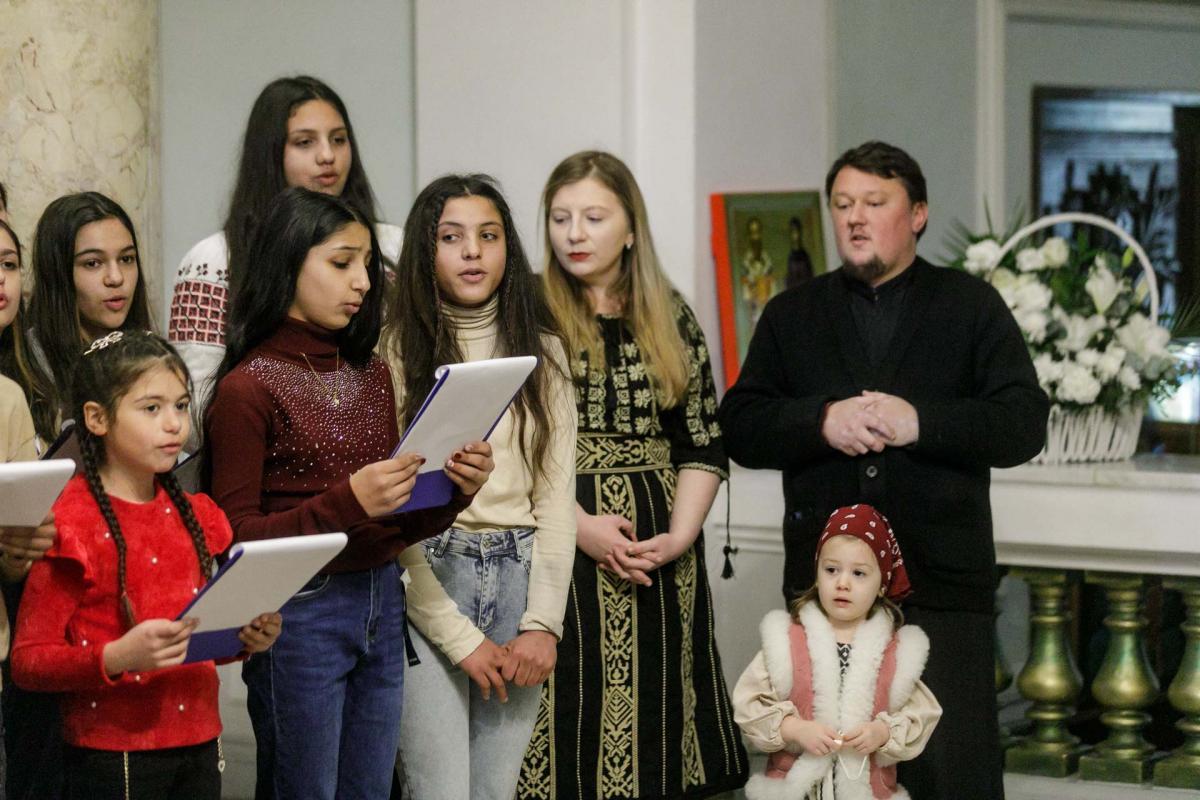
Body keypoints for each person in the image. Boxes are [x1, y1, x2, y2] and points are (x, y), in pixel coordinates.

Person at [718, 140, 1049, 799]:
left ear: (918, 214)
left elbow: (1023, 423)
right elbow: (740, 424)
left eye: (874, 202)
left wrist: (919, 422)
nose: (855, 217)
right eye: (843, 204)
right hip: (826, 596)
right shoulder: (792, 313)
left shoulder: (971, 306)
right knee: (835, 774)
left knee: (949, 775)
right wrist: (821, 421)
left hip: (942, 586)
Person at [205, 186, 493, 800]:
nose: (362, 281)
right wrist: (348, 503)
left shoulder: (371, 372)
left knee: (370, 789)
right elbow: (236, 542)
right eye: (341, 263)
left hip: (382, 599)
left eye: (365, 263)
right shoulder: (246, 389)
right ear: (288, 264)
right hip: (298, 612)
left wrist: (454, 492)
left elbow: (392, 523)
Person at [517, 150, 748, 799]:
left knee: (660, 706)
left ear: (629, 229)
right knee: (567, 709)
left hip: (660, 556)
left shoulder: (669, 312)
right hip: (557, 541)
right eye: (560, 217)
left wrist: (678, 537)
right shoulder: (527, 308)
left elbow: (701, 437)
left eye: (593, 217)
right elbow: (510, 438)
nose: (574, 233)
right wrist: (577, 525)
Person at [10, 330, 282, 800]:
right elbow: (29, 661)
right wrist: (116, 657)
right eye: (152, 408)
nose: (174, 424)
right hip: (110, 755)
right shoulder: (69, 521)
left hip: (200, 740)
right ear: (97, 418)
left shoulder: (195, 514)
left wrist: (244, 637)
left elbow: (191, 642)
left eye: (181, 405)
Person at [385, 175, 576, 800]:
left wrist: (543, 624)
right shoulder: (393, 351)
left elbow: (556, 501)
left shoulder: (544, 352)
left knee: (494, 791)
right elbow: (393, 517)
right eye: (452, 237)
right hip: (429, 578)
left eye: (488, 236)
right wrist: (459, 637)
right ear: (425, 251)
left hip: (520, 575)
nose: (472, 251)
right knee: (440, 790)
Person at [169, 75, 404, 414]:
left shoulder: (392, 246)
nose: (327, 155)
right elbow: (192, 406)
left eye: (339, 139)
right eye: (304, 142)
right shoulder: (216, 259)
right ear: (269, 153)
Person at [733, 505, 941, 799]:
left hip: (866, 789)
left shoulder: (896, 654)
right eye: (831, 570)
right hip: (796, 790)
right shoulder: (786, 642)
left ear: (881, 585)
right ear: (818, 574)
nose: (843, 583)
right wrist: (794, 729)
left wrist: (882, 732)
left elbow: (920, 715)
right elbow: (749, 704)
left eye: (859, 573)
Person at [26, 192, 155, 439]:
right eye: (93, 263)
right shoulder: (31, 371)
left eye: (126, 259)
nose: (116, 277)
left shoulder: (152, 355)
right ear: (58, 273)